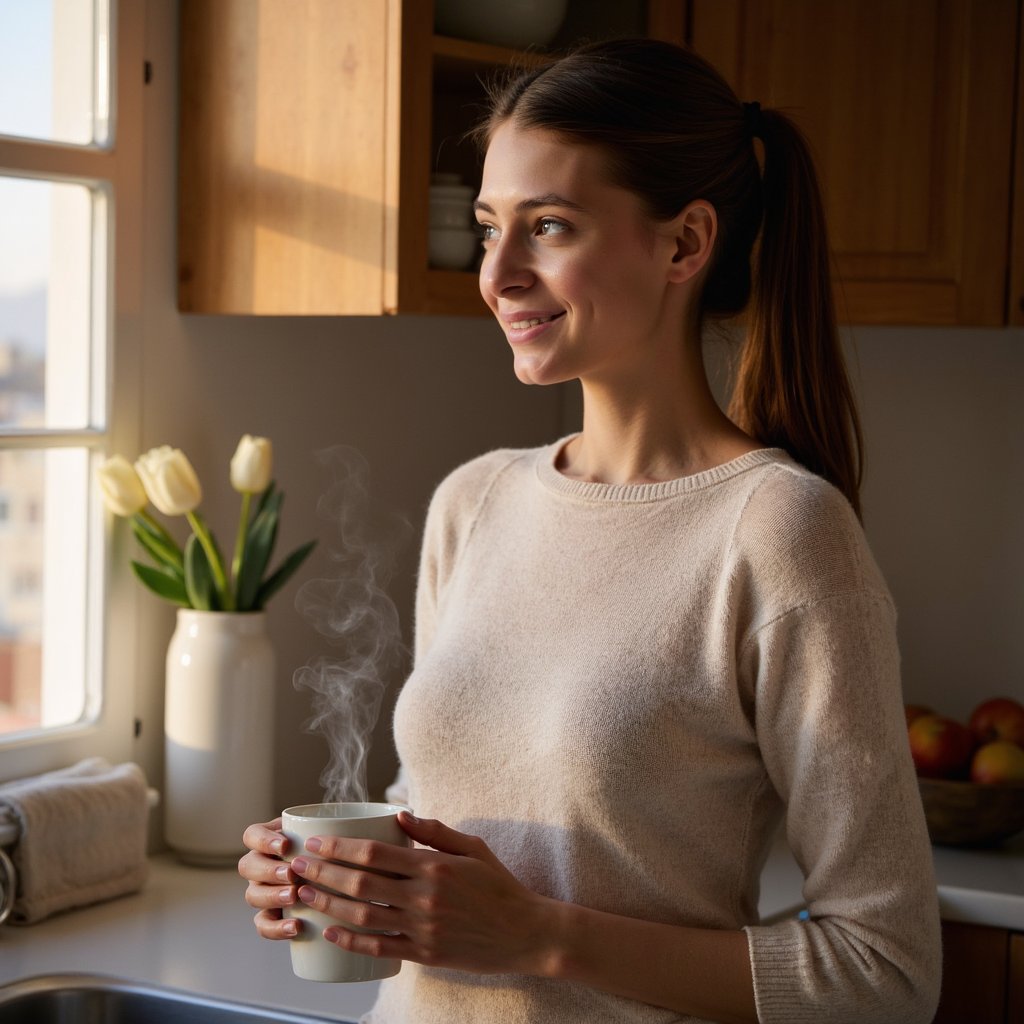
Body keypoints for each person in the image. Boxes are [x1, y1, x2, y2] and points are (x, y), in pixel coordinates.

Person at [239, 38, 942, 1023]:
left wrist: (537, 934)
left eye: (550, 226)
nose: (499, 274)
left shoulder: (779, 532)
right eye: (489, 228)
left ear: (685, 244)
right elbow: (445, 803)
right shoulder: (473, 501)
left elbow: (887, 971)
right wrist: (345, 879)